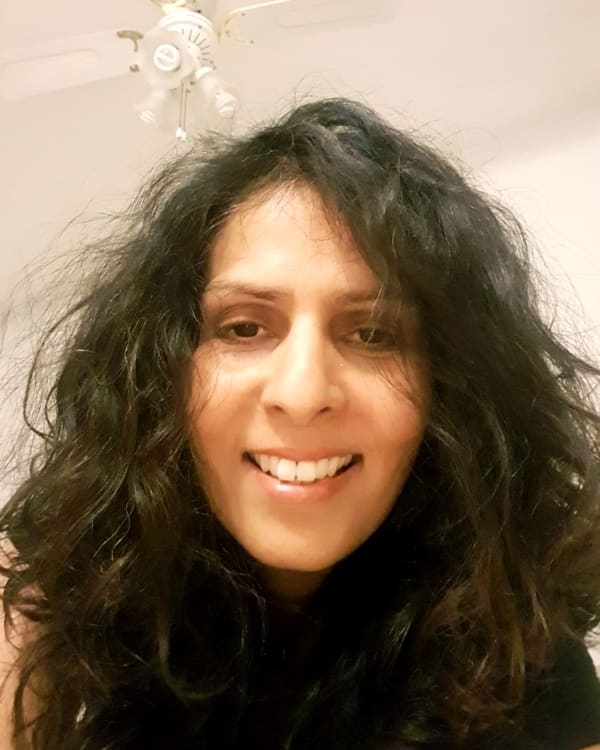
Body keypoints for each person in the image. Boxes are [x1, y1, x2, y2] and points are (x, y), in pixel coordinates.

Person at [0, 97, 599, 750]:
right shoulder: (52, 598)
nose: (302, 392)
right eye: (243, 328)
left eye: (372, 333)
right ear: (162, 373)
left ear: (447, 388)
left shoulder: (526, 647)